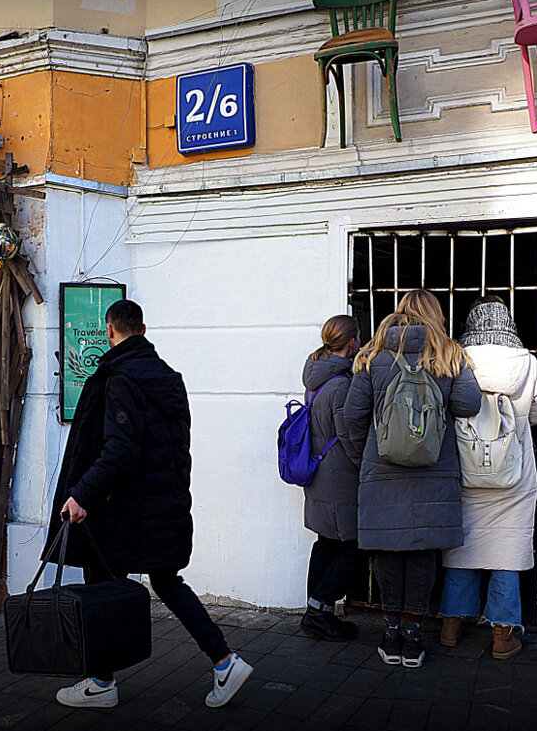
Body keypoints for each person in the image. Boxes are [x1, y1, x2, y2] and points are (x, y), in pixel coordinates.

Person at [47, 299, 253, 709]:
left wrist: (82, 494)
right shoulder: (168, 378)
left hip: (123, 510)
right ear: (143, 330)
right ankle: (225, 661)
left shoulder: (120, 379)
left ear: (110, 331)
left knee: (103, 587)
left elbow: (120, 450)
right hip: (164, 504)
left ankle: (102, 683)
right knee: (166, 582)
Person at [343, 290, 481, 668]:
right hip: (433, 470)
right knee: (422, 552)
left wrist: (365, 458)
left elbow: (353, 415)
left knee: (388, 550)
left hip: (381, 470)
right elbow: (469, 405)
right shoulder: (449, 354)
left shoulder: (372, 354)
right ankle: (414, 639)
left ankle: (389, 635)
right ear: (435, 315)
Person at [439, 296, 537, 659]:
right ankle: (503, 637)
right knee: (507, 549)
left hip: (463, 469)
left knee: (462, 546)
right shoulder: (527, 363)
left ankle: (451, 627)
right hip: (513, 474)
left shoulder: (457, 359)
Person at [298, 315, 364, 641]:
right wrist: (367, 467)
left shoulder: (315, 378)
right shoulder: (340, 384)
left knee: (326, 543)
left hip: (321, 473)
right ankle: (318, 611)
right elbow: (350, 437)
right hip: (340, 477)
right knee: (351, 546)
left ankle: (317, 611)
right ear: (351, 342)